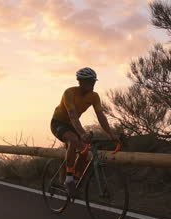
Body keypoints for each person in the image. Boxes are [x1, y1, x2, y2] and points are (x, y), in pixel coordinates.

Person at [50, 67, 120, 197]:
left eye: (94, 81)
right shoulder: (69, 93)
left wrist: (110, 134)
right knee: (74, 140)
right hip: (58, 123)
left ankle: (75, 179)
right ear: (81, 82)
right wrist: (82, 133)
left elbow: (101, 116)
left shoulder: (94, 96)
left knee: (85, 149)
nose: (93, 84)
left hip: (72, 126)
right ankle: (69, 179)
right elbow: (72, 116)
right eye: (90, 81)